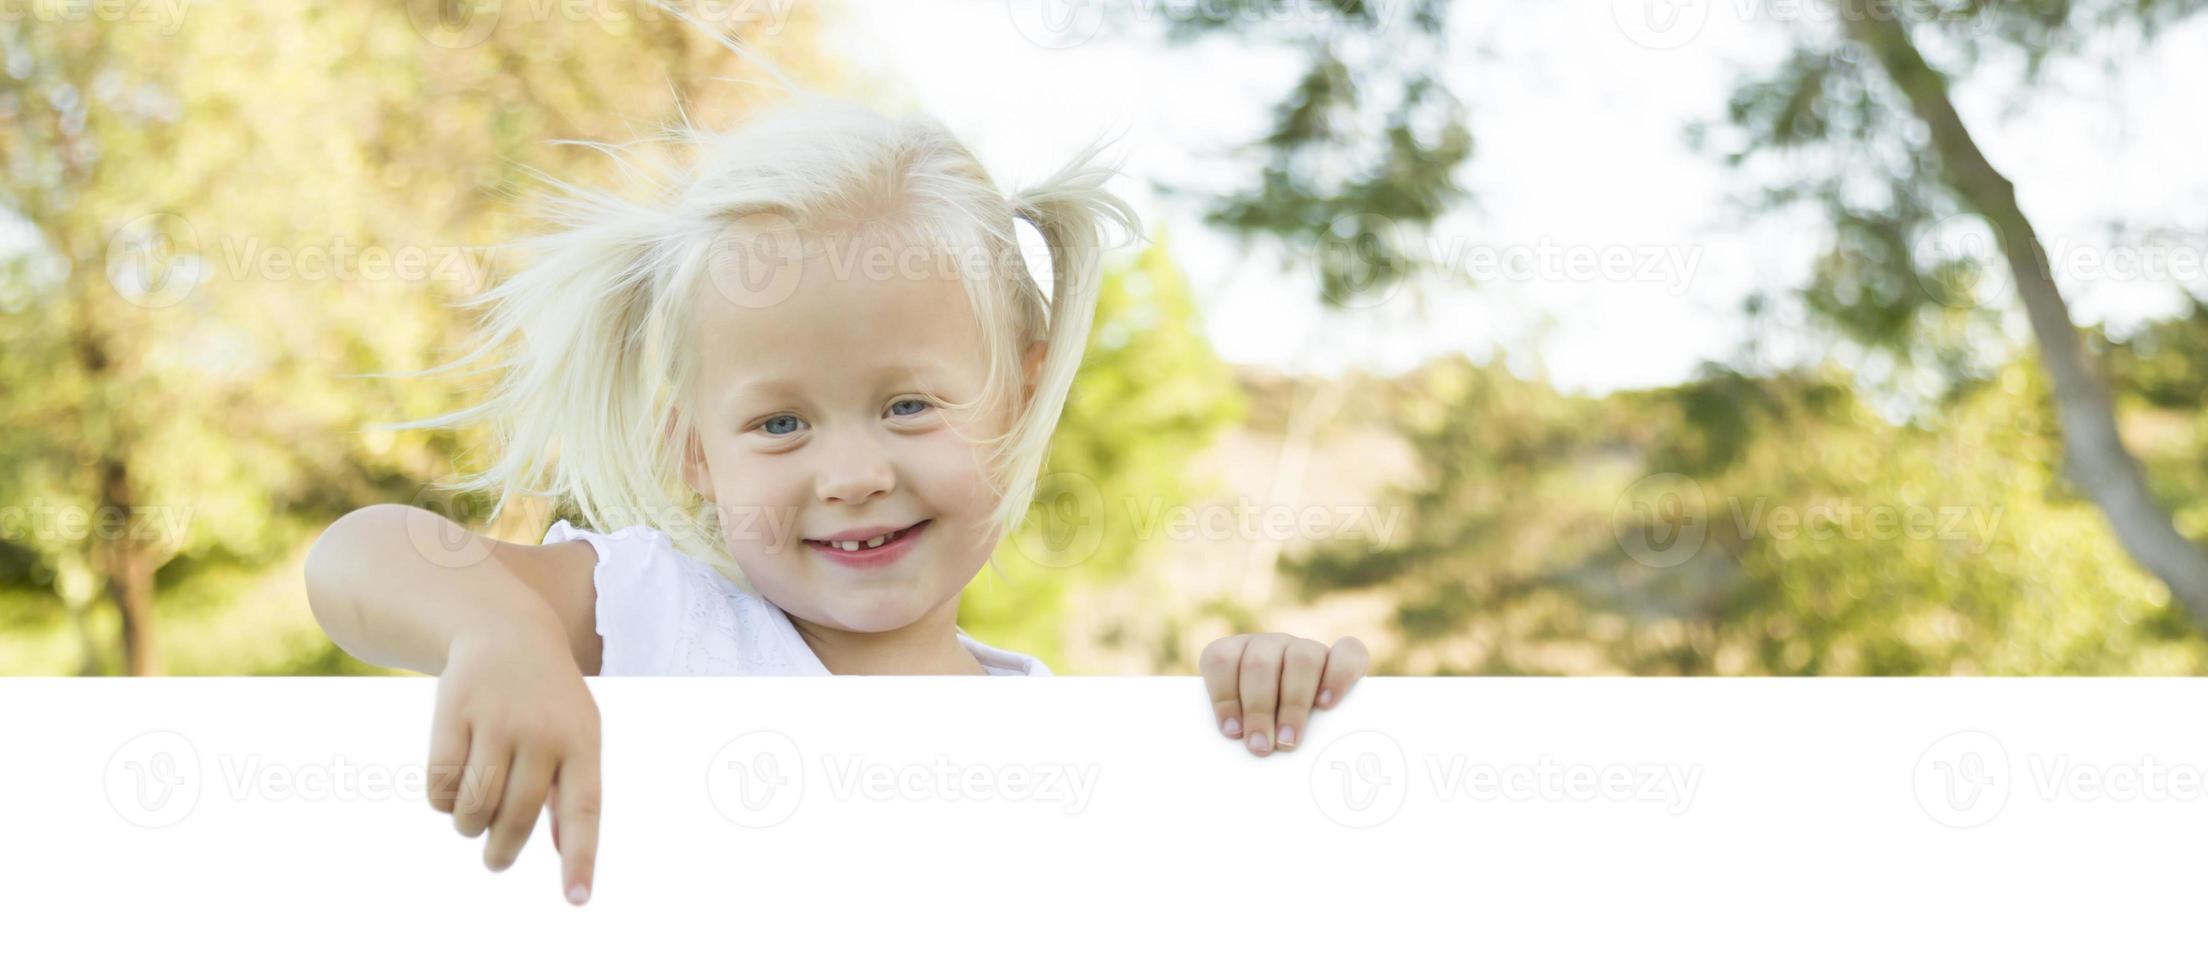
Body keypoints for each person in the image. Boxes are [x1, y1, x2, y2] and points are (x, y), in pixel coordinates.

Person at [303, 93, 1369, 907]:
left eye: (907, 404)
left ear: (1022, 393)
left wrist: (1256, 709)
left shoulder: (1052, 736)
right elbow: (356, 554)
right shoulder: (652, 612)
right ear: (694, 453)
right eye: (779, 424)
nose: (851, 472)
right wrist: (499, 631)